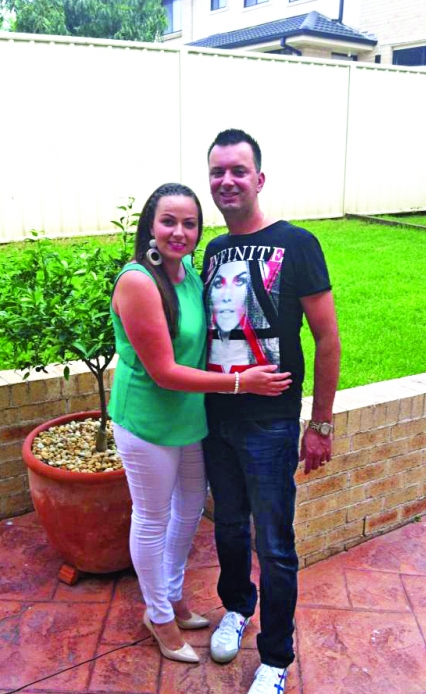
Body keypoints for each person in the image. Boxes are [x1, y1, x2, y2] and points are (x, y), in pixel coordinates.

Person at [108, 182, 292, 665]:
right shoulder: (138, 282)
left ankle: (171, 595)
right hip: (147, 420)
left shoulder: (189, 273)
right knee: (152, 517)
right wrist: (241, 383)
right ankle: (158, 615)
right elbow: (164, 372)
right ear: (150, 225)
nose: (179, 232)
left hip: (189, 415)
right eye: (168, 221)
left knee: (189, 509)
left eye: (189, 223)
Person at [201, 131, 340, 694]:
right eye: (217, 172)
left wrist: (321, 424)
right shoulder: (212, 250)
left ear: (259, 179)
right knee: (229, 527)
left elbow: (327, 338)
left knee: (275, 545)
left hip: (271, 424)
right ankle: (237, 606)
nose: (227, 181)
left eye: (238, 170)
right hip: (217, 417)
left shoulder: (298, 243)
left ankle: (276, 658)